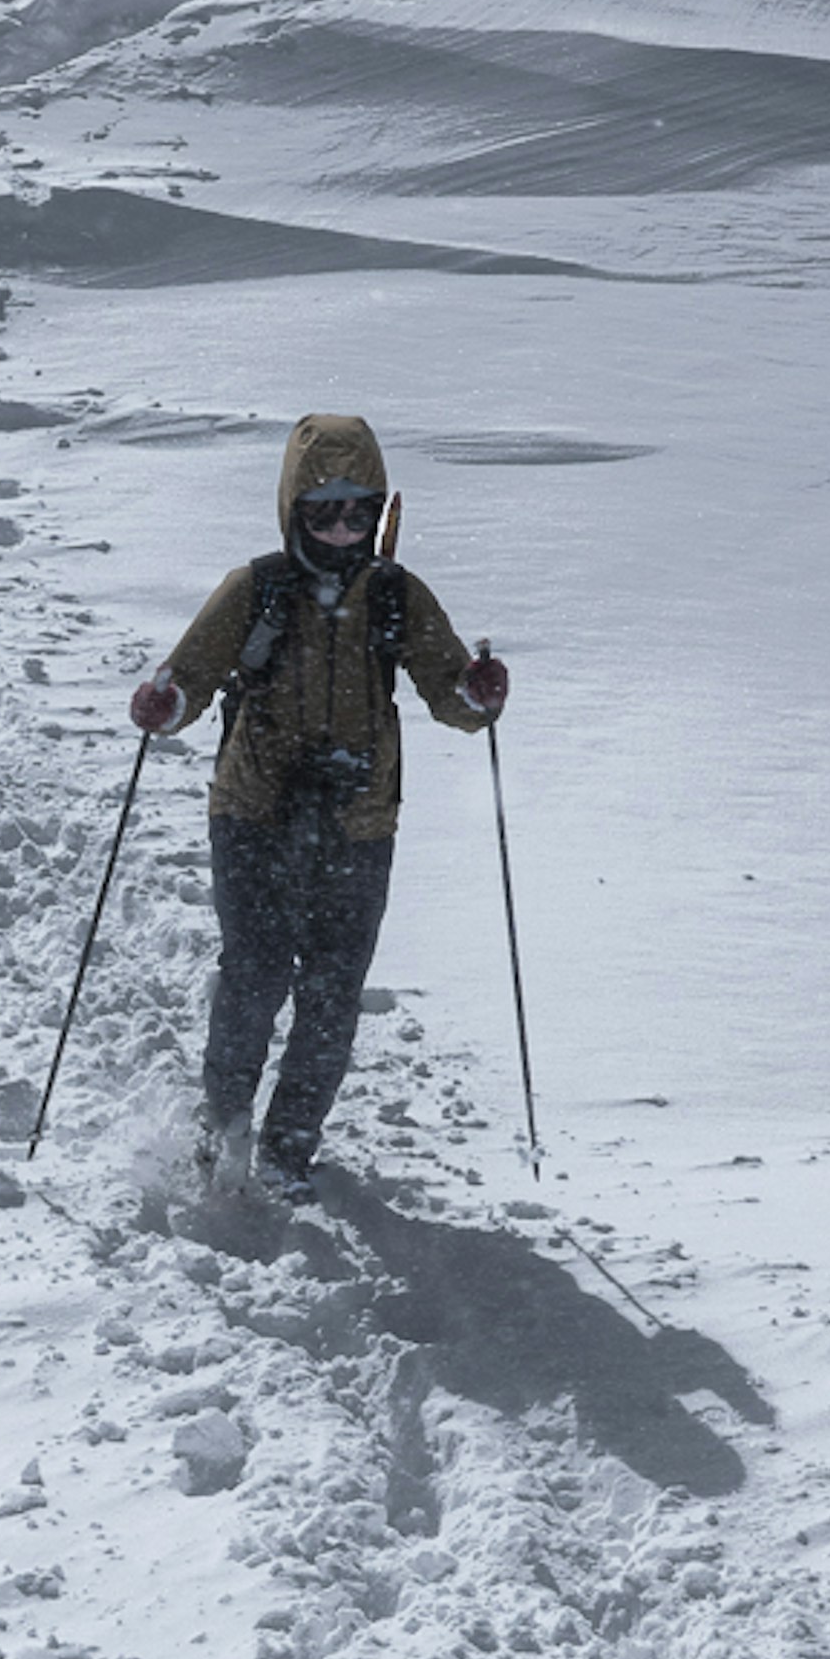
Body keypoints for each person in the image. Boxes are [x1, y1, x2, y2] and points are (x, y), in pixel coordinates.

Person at [130, 409, 509, 1186]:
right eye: (324, 511)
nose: (342, 529)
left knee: (334, 996)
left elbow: (450, 694)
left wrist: (478, 697)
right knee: (256, 976)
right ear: (294, 509)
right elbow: (189, 677)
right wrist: (164, 706)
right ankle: (222, 1132)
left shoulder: (395, 595)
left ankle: (286, 1152)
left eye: (358, 511)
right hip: (255, 814)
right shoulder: (257, 588)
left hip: (358, 822)